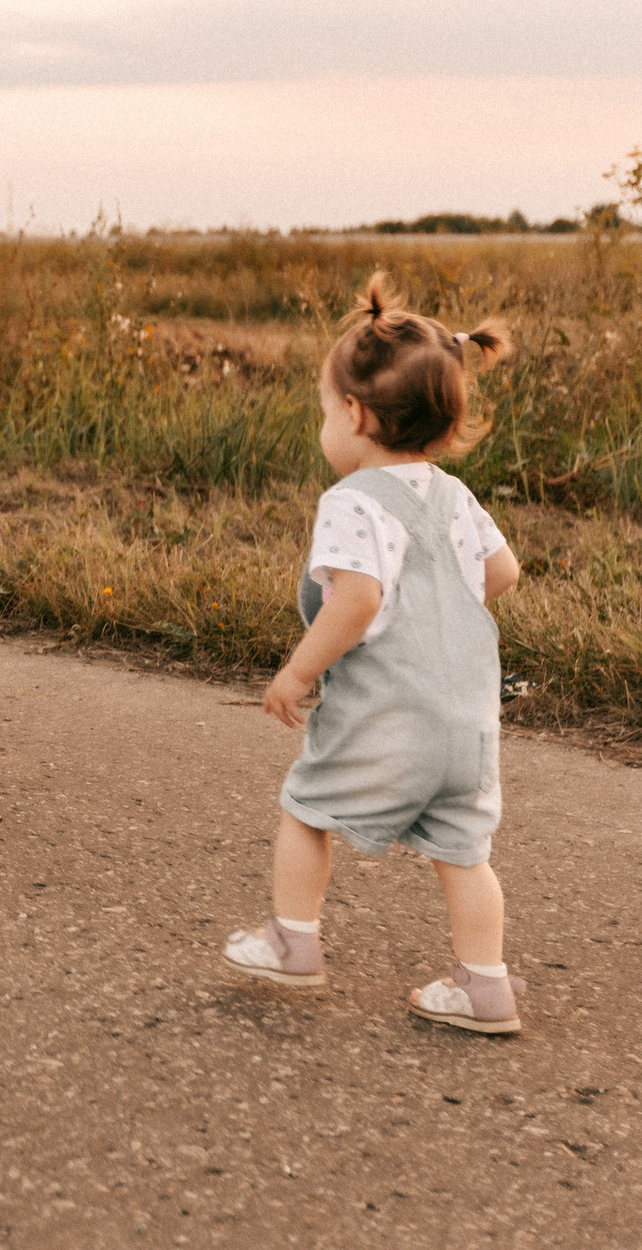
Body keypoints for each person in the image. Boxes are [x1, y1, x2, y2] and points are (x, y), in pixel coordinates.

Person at [220, 277, 527, 1034]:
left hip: (391, 716)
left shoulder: (353, 501)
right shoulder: (455, 495)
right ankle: (485, 987)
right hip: (468, 721)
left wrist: (299, 670)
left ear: (355, 415)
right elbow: (502, 573)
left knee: (308, 807)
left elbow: (353, 600)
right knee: (464, 851)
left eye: (326, 411)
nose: (326, 426)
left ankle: (293, 942)